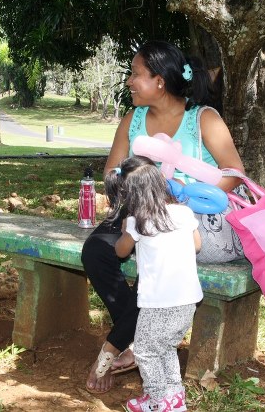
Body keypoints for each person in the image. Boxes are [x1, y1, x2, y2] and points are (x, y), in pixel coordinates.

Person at [82, 40, 246, 394]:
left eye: (135, 74)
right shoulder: (133, 120)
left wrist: (184, 189)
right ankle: (135, 336)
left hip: (193, 214)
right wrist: (132, 188)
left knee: (156, 252)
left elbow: (234, 174)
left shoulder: (203, 118)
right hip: (139, 208)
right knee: (95, 251)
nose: (129, 81)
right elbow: (111, 171)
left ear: (159, 81)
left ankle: (114, 347)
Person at [105, 156, 201, 412]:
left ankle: (159, 401)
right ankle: (174, 398)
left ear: (131, 194)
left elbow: (120, 251)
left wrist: (125, 231)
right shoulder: (184, 212)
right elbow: (197, 245)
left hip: (158, 301)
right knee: (166, 347)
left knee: (146, 351)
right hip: (188, 298)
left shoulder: (137, 221)